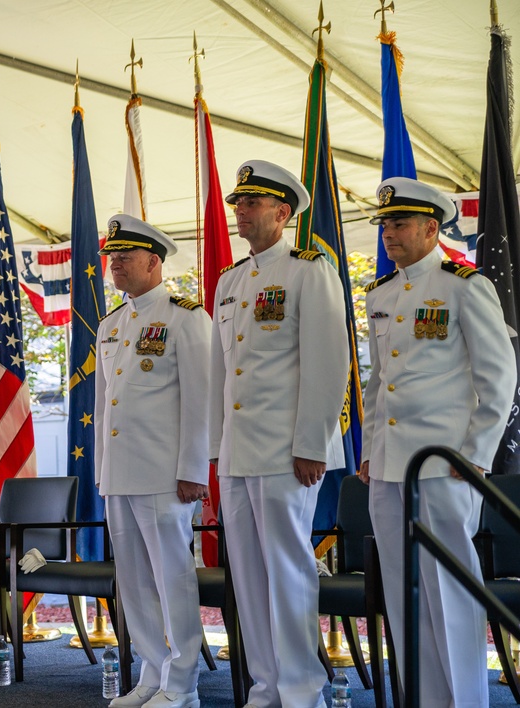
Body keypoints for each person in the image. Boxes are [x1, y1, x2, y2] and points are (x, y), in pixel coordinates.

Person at [360, 177, 515, 707]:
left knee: (450, 591)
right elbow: (378, 383)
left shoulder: (463, 285)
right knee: (406, 596)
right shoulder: (379, 294)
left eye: (399, 222)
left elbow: (498, 378)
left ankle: (466, 703)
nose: (388, 233)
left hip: (444, 466)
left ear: (432, 227)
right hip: (387, 470)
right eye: (384, 224)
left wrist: (472, 457)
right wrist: (369, 451)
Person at [210, 160, 348, 708]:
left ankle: (301, 689)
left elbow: (327, 362)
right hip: (237, 452)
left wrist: (312, 442)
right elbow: (224, 375)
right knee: (247, 577)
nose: (239, 211)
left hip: (287, 452)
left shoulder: (308, 271)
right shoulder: (230, 281)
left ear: (282, 212)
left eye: (250, 203)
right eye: (237, 203)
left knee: (288, 573)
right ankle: (265, 688)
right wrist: (212, 452)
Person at [94, 214, 209, 708]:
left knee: (172, 579)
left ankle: (182, 684)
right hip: (120, 473)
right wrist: (103, 470)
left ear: (154, 262)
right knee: (135, 581)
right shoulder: (111, 324)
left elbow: (201, 399)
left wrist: (192, 469)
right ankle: (151, 673)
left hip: (165, 474)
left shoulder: (185, 316)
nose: (115, 262)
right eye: (112, 256)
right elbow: (105, 407)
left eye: (125, 255)